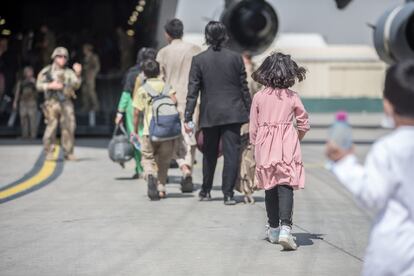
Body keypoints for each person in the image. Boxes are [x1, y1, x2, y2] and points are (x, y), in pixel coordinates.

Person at [326, 61, 414, 275]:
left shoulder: (387, 149)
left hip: (395, 252)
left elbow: (371, 196)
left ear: (388, 104)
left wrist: (344, 162)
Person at [184, 21, 251, 205]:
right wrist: (251, 112)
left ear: (206, 36)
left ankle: (205, 191)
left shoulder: (199, 60)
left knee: (209, 153)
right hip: (233, 113)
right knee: (231, 154)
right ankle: (228, 194)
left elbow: (193, 91)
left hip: (210, 113)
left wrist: (188, 116)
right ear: (225, 36)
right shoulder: (236, 58)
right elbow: (244, 88)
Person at [249, 52, 309, 250]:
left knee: (270, 186)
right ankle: (285, 228)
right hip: (287, 145)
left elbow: (253, 127)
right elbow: (303, 123)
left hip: (264, 146)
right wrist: (295, 138)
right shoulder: (293, 97)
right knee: (286, 185)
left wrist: (255, 146)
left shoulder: (259, 97)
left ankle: (273, 228)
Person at [156, 18, 202, 193]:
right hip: (192, 100)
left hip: (171, 102)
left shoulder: (163, 53)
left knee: (173, 138)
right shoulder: (195, 49)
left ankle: (183, 167)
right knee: (190, 135)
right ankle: (187, 168)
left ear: (167, 34)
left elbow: (159, 80)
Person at [131, 59, 177, 200]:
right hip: (167, 132)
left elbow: (137, 112)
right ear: (158, 72)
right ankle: (161, 188)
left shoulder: (142, 90)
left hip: (149, 131)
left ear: (144, 73)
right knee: (164, 161)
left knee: (147, 158)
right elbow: (175, 101)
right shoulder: (166, 86)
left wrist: (134, 129)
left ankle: (150, 174)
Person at [115, 47, 157, 179]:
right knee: (154, 139)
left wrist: (120, 112)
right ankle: (155, 168)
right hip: (153, 110)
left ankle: (140, 168)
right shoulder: (158, 72)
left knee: (137, 138)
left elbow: (126, 93)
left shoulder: (133, 73)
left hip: (134, 110)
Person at [36, 47, 82, 161]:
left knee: (69, 127)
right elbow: (38, 85)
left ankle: (69, 152)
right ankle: (49, 152)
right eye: (59, 56)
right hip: (51, 103)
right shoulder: (46, 71)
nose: (62, 59)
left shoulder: (69, 72)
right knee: (51, 128)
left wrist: (78, 74)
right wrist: (50, 86)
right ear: (54, 57)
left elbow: (76, 85)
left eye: (64, 57)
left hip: (66, 103)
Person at [13, 66, 38, 139]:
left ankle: (33, 135)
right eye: (27, 72)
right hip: (23, 102)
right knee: (23, 119)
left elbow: (39, 90)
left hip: (32, 101)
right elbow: (17, 92)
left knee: (32, 119)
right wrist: (15, 102)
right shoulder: (21, 82)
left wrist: (35, 83)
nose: (29, 73)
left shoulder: (34, 81)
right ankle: (25, 135)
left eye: (30, 72)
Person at [81, 43, 100, 117]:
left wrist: (93, 74)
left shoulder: (94, 57)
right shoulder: (85, 57)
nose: (83, 51)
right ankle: (86, 106)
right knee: (84, 91)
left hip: (90, 76)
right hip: (85, 76)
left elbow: (97, 67)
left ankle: (96, 106)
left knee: (91, 91)